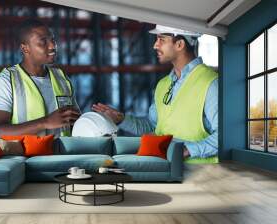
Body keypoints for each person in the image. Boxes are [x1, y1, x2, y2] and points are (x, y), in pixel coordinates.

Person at [92, 25, 218, 159]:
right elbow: (153, 127)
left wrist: (186, 150)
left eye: (161, 40)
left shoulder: (210, 83)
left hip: (201, 174)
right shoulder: (163, 85)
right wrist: (121, 119)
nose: (155, 45)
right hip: (166, 171)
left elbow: (224, 136)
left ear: (180, 44)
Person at [0, 19, 80, 137]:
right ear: (25, 49)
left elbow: (75, 122)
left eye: (52, 40)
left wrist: (95, 120)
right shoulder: (7, 80)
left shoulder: (62, 78)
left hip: (63, 154)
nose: (52, 46)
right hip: (27, 155)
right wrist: (45, 122)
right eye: (43, 42)